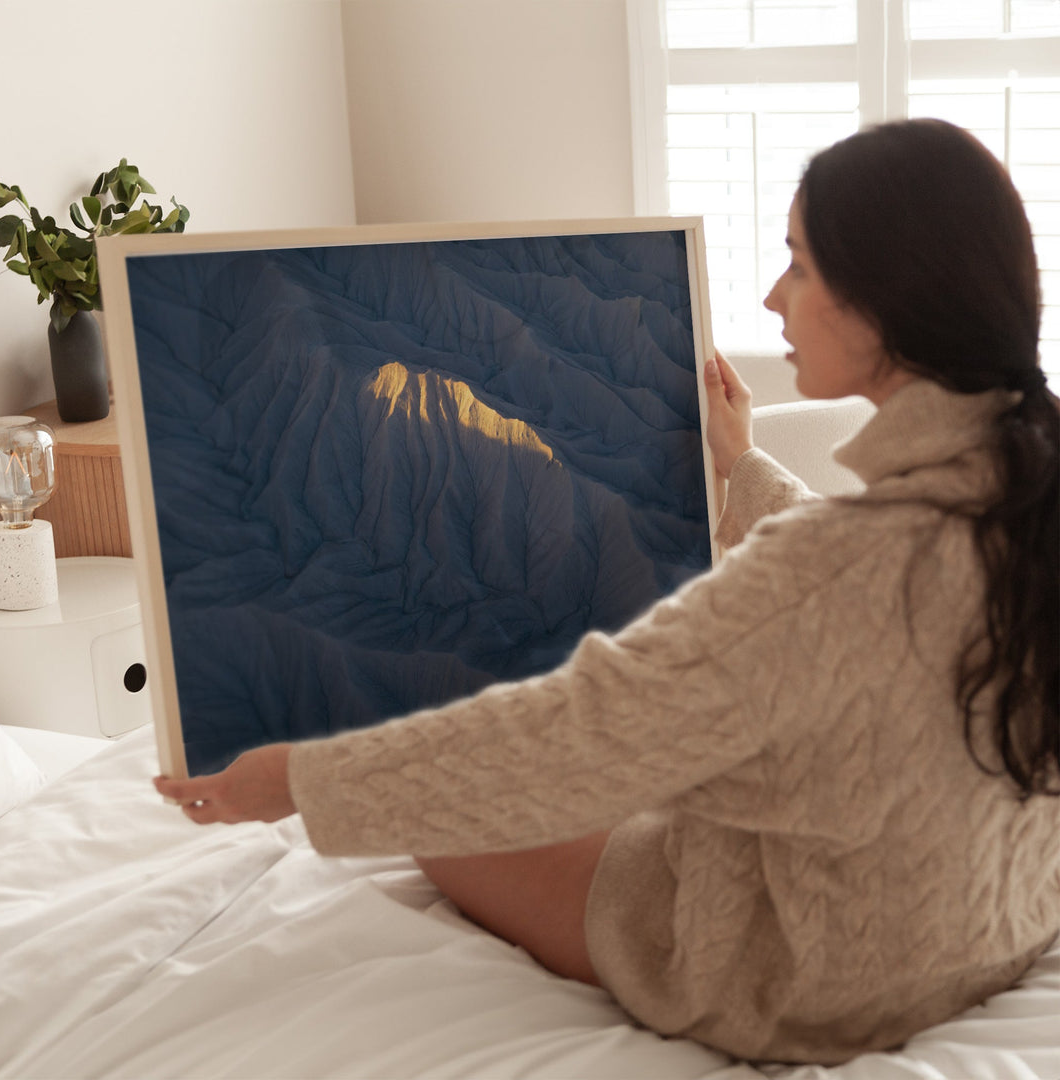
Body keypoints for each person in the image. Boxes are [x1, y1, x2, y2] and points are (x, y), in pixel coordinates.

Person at [155, 119, 1060, 1065]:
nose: (772, 297)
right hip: (991, 927)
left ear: (884, 303)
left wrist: (294, 781)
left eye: (798, 264)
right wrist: (742, 465)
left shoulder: (835, 570)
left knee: (439, 815)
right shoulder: (1026, 483)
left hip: (802, 981)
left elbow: (572, 738)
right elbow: (876, 586)